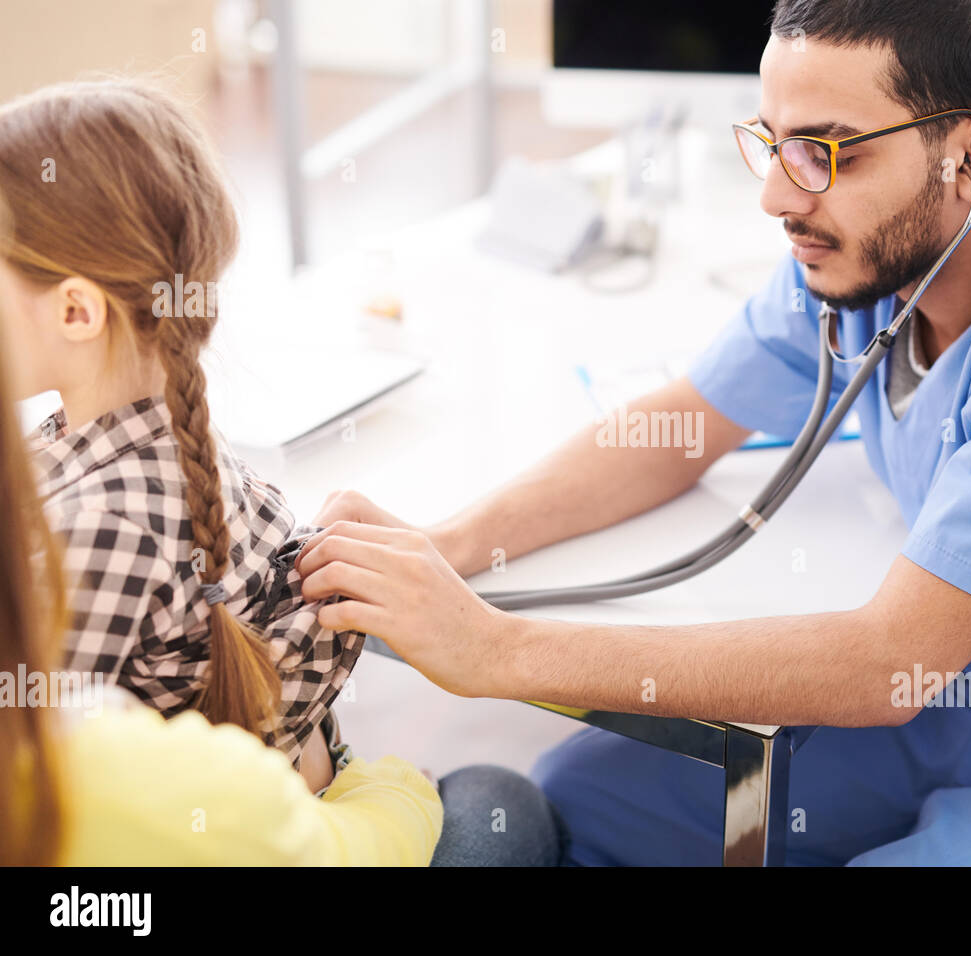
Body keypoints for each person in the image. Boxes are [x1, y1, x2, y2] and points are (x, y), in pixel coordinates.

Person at [296, 0, 971, 866]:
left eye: (826, 151)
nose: (779, 196)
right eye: (771, 142)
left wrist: (495, 648)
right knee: (575, 797)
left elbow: (881, 662)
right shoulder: (869, 244)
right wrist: (454, 544)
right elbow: (683, 423)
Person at [0, 81, 564, 867]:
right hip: (302, 812)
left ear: (75, 312)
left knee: (497, 801)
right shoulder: (171, 443)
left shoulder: (95, 531)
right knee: (498, 797)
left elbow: (35, 784)